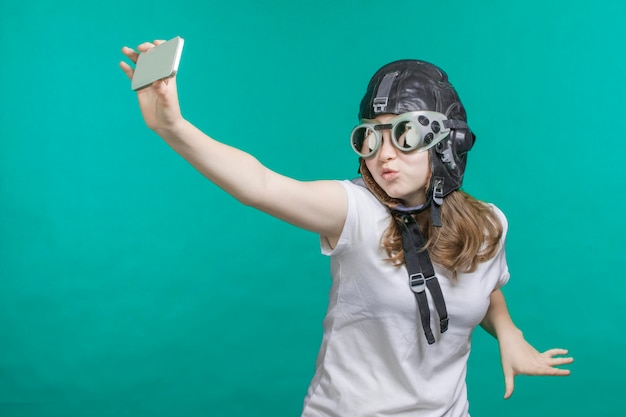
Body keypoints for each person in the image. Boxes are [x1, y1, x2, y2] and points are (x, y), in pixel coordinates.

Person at [120, 40, 573, 417]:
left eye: (405, 134)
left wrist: (509, 334)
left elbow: (483, 284)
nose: (385, 153)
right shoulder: (354, 211)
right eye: (372, 137)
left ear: (448, 142)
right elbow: (259, 184)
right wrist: (172, 127)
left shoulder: (488, 223)